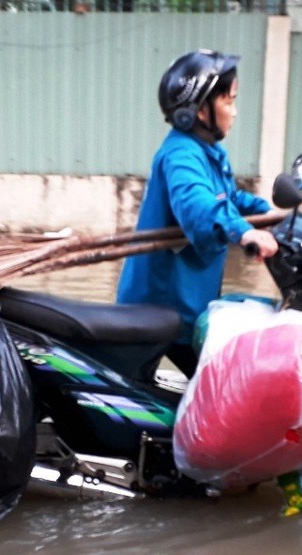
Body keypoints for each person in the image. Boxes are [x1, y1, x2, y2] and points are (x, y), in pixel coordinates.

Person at [116, 49, 278, 378]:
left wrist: (269, 214)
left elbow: (228, 198)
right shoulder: (180, 155)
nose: (235, 111)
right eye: (228, 101)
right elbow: (197, 205)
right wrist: (244, 232)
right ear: (200, 111)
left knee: (216, 383)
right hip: (161, 309)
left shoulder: (209, 152)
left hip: (189, 304)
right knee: (219, 386)